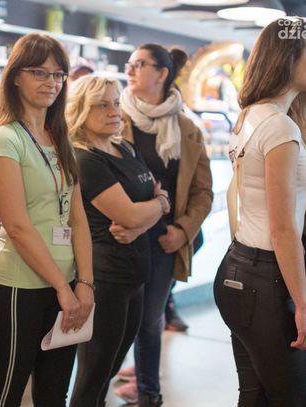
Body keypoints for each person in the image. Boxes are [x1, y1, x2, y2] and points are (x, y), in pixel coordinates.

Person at [0, 32, 94, 407]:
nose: (51, 82)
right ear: (16, 76)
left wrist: (85, 284)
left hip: (67, 285)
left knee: (53, 394)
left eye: (58, 74)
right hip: (19, 287)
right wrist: (64, 287)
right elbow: (17, 225)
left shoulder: (59, 136)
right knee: (5, 395)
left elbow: (78, 218)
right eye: (39, 72)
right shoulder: (5, 138)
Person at [214, 17, 306, 406]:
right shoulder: (280, 128)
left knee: (255, 395)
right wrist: (303, 304)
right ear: (289, 57)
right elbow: (282, 228)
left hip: (238, 270)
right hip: (266, 279)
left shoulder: (251, 114)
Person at [115, 44, 213, 406]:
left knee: (150, 318)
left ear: (162, 73)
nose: (130, 69)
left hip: (164, 239)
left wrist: (183, 230)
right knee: (117, 319)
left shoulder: (186, 129)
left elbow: (203, 191)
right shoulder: (113, 118)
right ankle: (101, 386)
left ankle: (149, 394)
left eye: (140, 64)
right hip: (119, 234)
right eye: (130, 63)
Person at [66, 75, 170, 407]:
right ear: (81, 110)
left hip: (135, 275)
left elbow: (145, 207)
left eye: (115, 102)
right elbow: (131, 214)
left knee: (109, 370)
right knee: (94, 373)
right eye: (102, 105)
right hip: (106, 279)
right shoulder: (86, 160)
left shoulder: (123, 146)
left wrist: (147, 216)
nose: (114, 112)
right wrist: (158, 206)